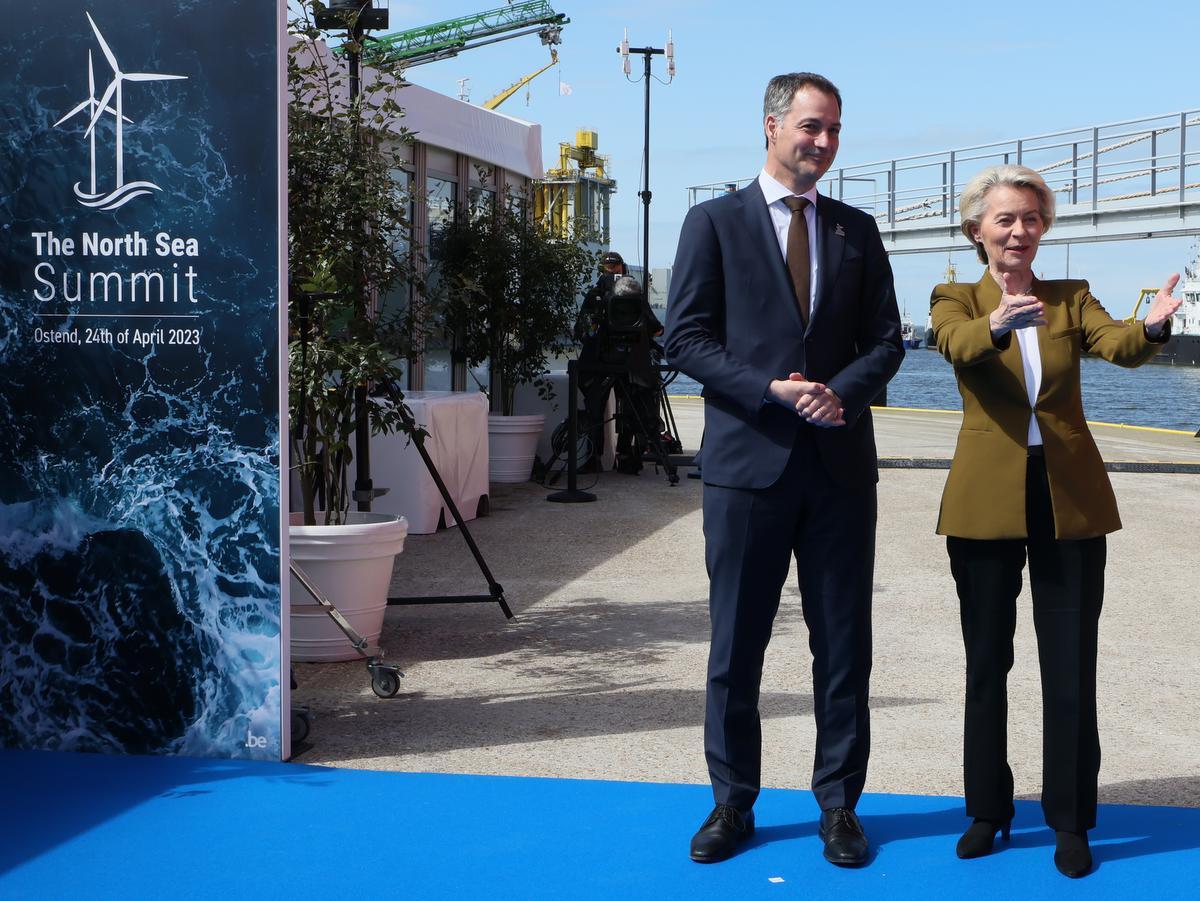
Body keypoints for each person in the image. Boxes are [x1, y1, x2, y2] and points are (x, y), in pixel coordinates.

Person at [664, 72, 904, 867]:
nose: (824, 143)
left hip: (838, 471)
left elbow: (886, 342)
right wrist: (768, 390)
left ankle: (839, 804)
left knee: (844, 648)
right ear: (771, 125)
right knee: (736, 646)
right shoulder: (713, 223)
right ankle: (732, 802)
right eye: (811, 127)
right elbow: (686, 339)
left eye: (834, 129)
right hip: (746, 467)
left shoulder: (857, 231)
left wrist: (840, 393)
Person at [930, 164, 1180, 878]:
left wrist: (1155, 324)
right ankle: (988, 808)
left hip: (1068, 498)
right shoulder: (954, 297)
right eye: (1005, 218)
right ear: (976, 228)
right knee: (988, 661)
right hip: (985, 502)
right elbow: (955, 344)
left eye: (1032, 219)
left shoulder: (1071, 297)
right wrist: (996, 321)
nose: (1020, 231)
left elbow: (1119, 346)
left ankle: (1071, 819)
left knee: (1069, 665)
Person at [574, 251, 664, 473]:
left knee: (604, 406)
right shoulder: (628, 298)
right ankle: (621, 456)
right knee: (624, 405)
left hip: (607, 361)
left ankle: (602, 457)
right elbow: (657, 329)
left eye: (613, 268)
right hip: (623, 360)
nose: (612, 272)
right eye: (610, 268)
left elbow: (582, 331)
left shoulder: (599, 296)